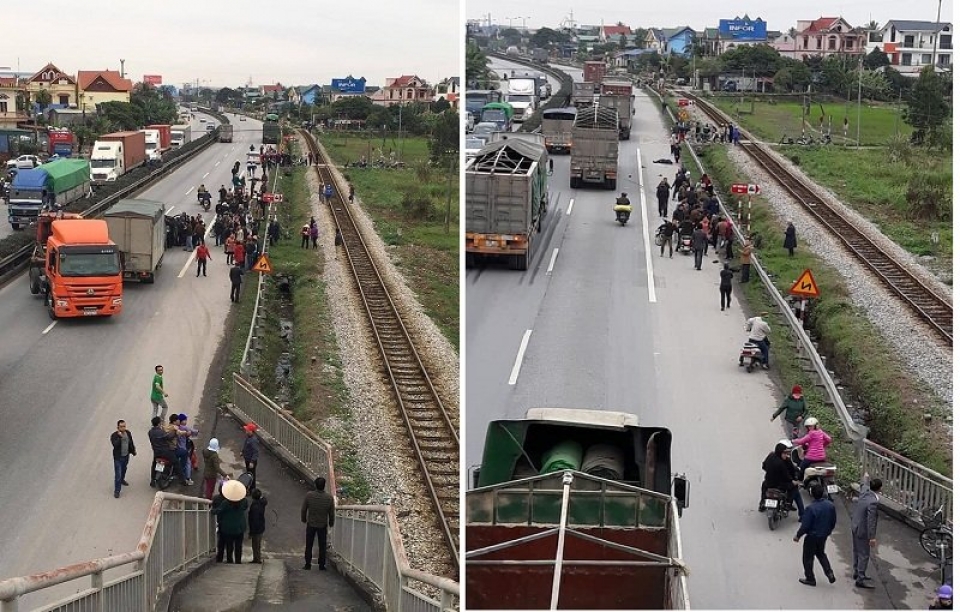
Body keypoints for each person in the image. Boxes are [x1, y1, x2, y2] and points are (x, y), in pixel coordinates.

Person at [794, 484, 837, 587]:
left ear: (812, 495)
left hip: (812, 537)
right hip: (823, 535)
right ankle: (829, 573)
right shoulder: (830, 506)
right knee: (821, 553)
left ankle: (810, 578)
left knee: (808, 557)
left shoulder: (811, 508)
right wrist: (828, 531)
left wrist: (798, 535)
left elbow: (805, 526)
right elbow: (833, 521)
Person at [851, 473, 882, 589]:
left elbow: (863, 484)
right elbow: (871, 521)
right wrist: (872, 537)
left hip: (855, 525)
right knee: (864, 554)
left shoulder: (865, 492)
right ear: (880, 489)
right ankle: (860, 578)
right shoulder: (873, 502)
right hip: (862, 530)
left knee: (856, 551)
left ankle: (856, 571)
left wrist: (865, 477)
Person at [759, 442, 804, 518]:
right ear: (780, 453)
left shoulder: (770, 456)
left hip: (769, 483)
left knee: (764, 486)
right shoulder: (781, 463)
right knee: (795, 489)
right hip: (780, 485)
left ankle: (762, 503)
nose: (786, 455)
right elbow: (787, 476)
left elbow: (764, 466)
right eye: (785, 453)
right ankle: (789, 505)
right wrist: (793, 481)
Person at [302, 476, 336, 570]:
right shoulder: (329, 498)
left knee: (309, 544)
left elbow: (304, 509)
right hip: (322, 524)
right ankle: (321, 564)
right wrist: (331, 523)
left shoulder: (309, 495)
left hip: (311, 523)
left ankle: (307, 564)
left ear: (315, 485)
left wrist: (304, 519)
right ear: (324, 486)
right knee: (322, 545)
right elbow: (331, 513)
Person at [213, 480, 248, 564]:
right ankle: (238, 561)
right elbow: (245, 507)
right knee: (238, 545)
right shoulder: (244, 501)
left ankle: (229, 560)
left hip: (227, 527)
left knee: (229, 545)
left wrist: (212, 510)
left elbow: (218, 511)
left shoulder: (226, 503)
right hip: (240, 527)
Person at [148, 416, 187, 487]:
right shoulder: (161, 432)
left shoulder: (150, 432)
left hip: (156, 452)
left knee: (154, 464)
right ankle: (183, 480)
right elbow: (169, 437)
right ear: (159, 423)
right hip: (166, 452)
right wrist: (174, 432)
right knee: (176, 463)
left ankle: (152, 480)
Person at [792, 417, 832, 482]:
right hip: (822, 457)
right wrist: (823, 445)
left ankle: (800, 482)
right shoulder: (821, 432)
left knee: (801, 467)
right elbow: (829, 439)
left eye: (810, 426)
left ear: (815, 426)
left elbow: (802, 441)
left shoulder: (811, 433)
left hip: (811, 457)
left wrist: (794, 441)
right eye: (808, 427)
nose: (809, 428)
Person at [110, 420, 137, 499]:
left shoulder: (128, 433)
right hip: (118, 458)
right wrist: (120, 437)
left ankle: (122, 480)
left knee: (124, 469)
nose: (123, 428)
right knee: (118, 474)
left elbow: (130, 442)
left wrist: (133, 451)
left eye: (124, 426)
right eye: (121, 426)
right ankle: (117, 491)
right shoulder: (114, 435)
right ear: (118, 427)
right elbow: (115, 445)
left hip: (126, 456)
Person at [248, 488, 267, 564]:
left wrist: (251, 532)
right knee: (257, 544)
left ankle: (257, 559)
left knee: (255, 544)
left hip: (256, 528)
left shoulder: (255, 505)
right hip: (261, 526)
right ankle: (257, 558)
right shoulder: (261, 503)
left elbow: (254, 519)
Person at [242, 423, 259, 491]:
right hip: (247, 459)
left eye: (247, 430)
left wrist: (252, 462)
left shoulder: (253, 441)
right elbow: (246, 446)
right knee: (248, 473)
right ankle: (249, 486)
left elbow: (255, 452)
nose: (246, 431)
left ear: (251, 431)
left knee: (251, 475)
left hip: (251, 460)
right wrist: (242, 452)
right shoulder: (248, 437)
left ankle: (252, 488)